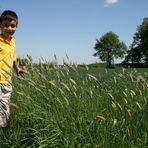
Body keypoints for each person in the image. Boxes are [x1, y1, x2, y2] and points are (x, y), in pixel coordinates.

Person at [0, 10, 23, 128]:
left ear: (17, 27)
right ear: (0, 25)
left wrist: (17, 69)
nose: (9, 28)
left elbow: (13, 58)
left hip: (7, 82)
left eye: (13, 26)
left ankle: (2, 132)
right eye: (6, 25)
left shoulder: (13, 42)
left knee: (4, 110)